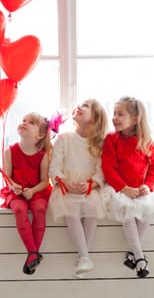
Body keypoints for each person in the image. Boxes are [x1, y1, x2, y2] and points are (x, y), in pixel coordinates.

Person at [101, 96, 154, 278]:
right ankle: (140, 258)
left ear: (135, 119)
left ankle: (132, 254)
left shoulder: (146, 141)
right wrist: (123, 188)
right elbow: (108, 167)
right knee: (127, 214)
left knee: (148, 212)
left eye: (120, 114)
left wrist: (148, 186)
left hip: (140, 189)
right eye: (114, 114)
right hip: (119, 189)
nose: (115, 118)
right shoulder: (112, 140)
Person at [48, 99, 109, 279]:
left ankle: (84, 257)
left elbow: (101, 171)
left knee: (92, 207)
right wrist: (64, 182)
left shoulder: (98, 143)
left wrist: (91, 183)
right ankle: (85, 257)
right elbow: (54, 168)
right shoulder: (64, 138)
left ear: (95, 117)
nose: (78, 107)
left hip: (88, 187)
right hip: (67, 188)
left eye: (85, 105)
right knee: (71, 208)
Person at [0, 112, 52, 275]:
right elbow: (7, 177)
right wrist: (14, 186)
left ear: (40, 135)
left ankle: (32, 255)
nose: (24, 123)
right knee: (19, 210)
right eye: (23, 120)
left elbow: (45, 181)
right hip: (16, 192)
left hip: (37, 190)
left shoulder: (43, 155)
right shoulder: (11, 151)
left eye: (30, 122)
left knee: (39, 209)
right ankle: (33, 253)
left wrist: (33, 190)